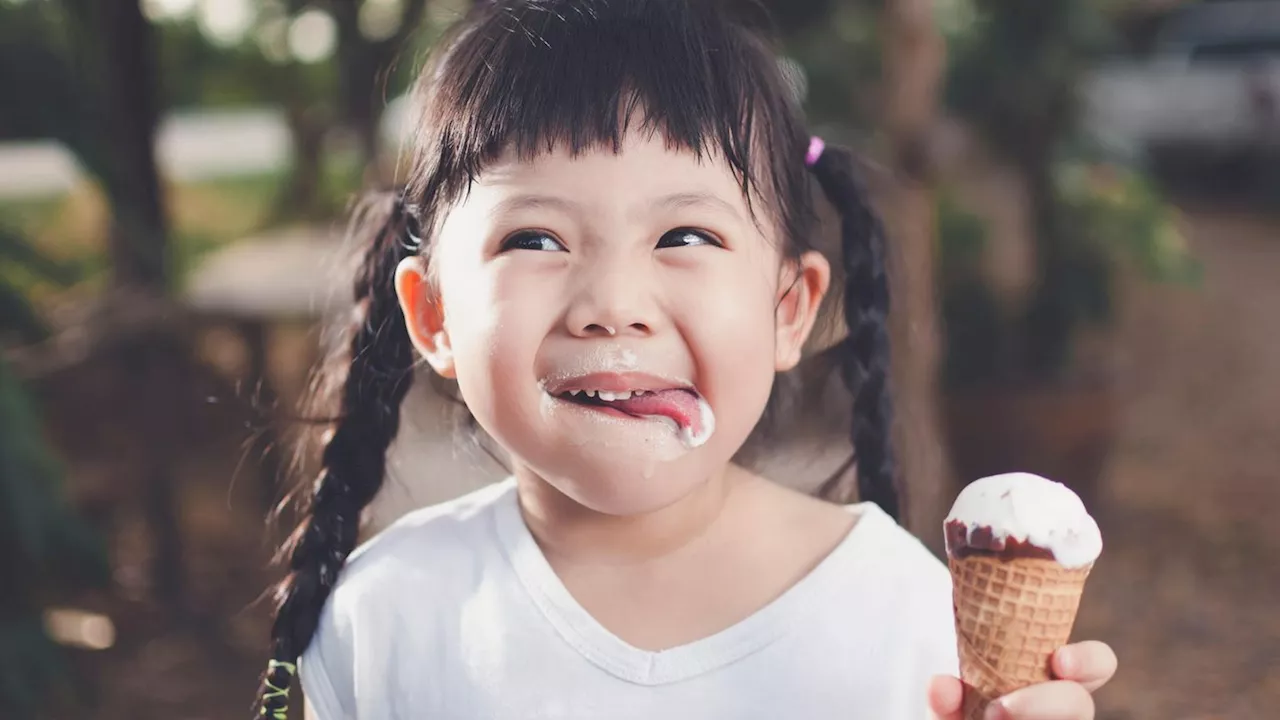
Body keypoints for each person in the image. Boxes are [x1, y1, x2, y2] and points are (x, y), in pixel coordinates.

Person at [255, 1, 1117, 718]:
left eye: (685, 234)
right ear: (433, 315)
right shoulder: (385, 615)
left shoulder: (908, 622)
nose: (613, 305)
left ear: (789, 310)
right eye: (537, 237)